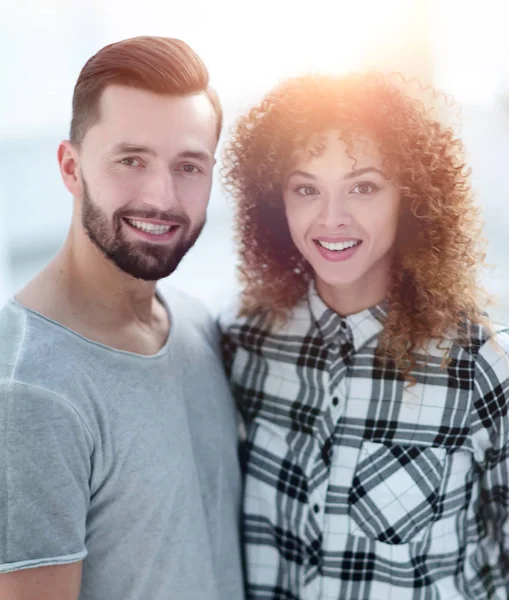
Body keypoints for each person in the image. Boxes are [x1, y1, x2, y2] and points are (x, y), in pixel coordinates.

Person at [219, 72, 509, 599]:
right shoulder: (244, 341)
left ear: (410, 196)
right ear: (274, 201)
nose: (332, 219)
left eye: (364, 187)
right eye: (306, 188)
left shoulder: (478, 365)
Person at [0, 36, 244, 600]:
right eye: (130, 160)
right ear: (71, 167)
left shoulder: (195, 324)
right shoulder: (30, 391)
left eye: (189, 166)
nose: (160, 196)